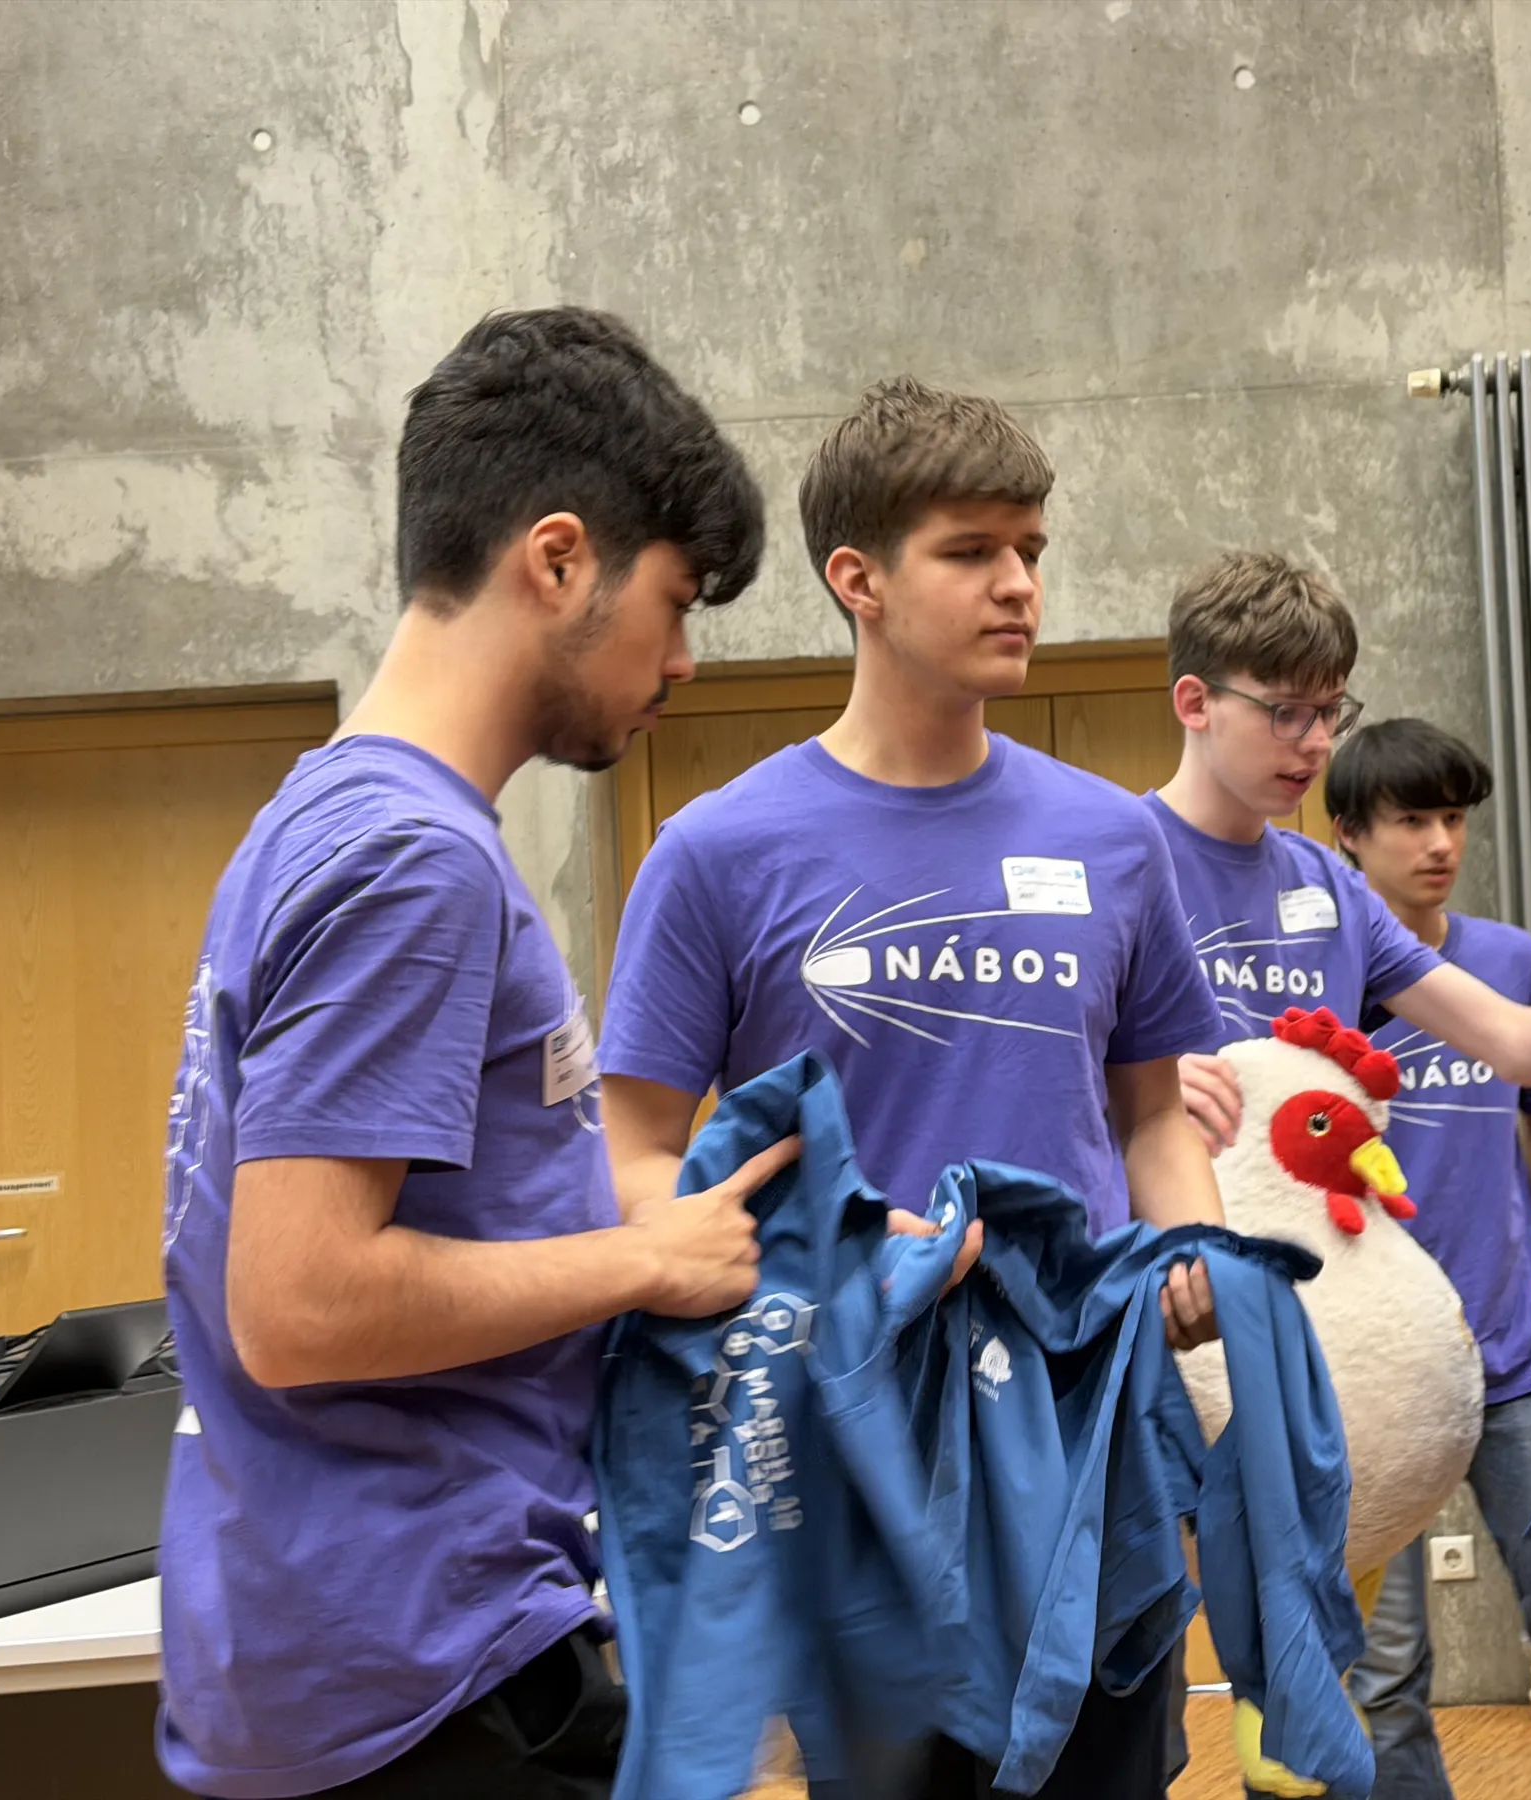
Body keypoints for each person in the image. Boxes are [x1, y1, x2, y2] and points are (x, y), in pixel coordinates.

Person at [155, 308, 786, 1798]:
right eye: (675, 603)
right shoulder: (412, 862)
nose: (684, 660)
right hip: (417, 1672)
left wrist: (728, 1235)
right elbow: (300, 1303)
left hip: (375, 1640)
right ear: (557, 560)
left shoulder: (330, 819)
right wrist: (643, 1266)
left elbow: (450, 1218)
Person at [597, 376, 1227, 1799]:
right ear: (858, 579)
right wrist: (801, 1261)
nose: (1019, 585)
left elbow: (1149, 1115)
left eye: (1032, 550)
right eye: (971, 551)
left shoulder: (1114, 839)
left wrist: (1190, 1237)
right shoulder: (717, 853)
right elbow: (635, 1157)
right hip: (858, 1446)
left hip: (1087, 1431)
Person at [1145, 549, 1531, 1159]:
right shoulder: (1117, 862)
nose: (1319, 742)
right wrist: (1134, 1093)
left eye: (1329, 712)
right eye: (1287, 713)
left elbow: (1511, 1038)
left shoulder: (1333, 888)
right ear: (1196, 704)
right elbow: (1082, 1081)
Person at [1323, 718, 1531, 1800]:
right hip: (1368, 1379)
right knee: (1383, 1676)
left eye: (1453, 818)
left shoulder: (1510, 964)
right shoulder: (1316, 978)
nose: (1441, 843)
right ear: (1349, 833)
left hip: (1515, 1356)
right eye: (1411, 820)